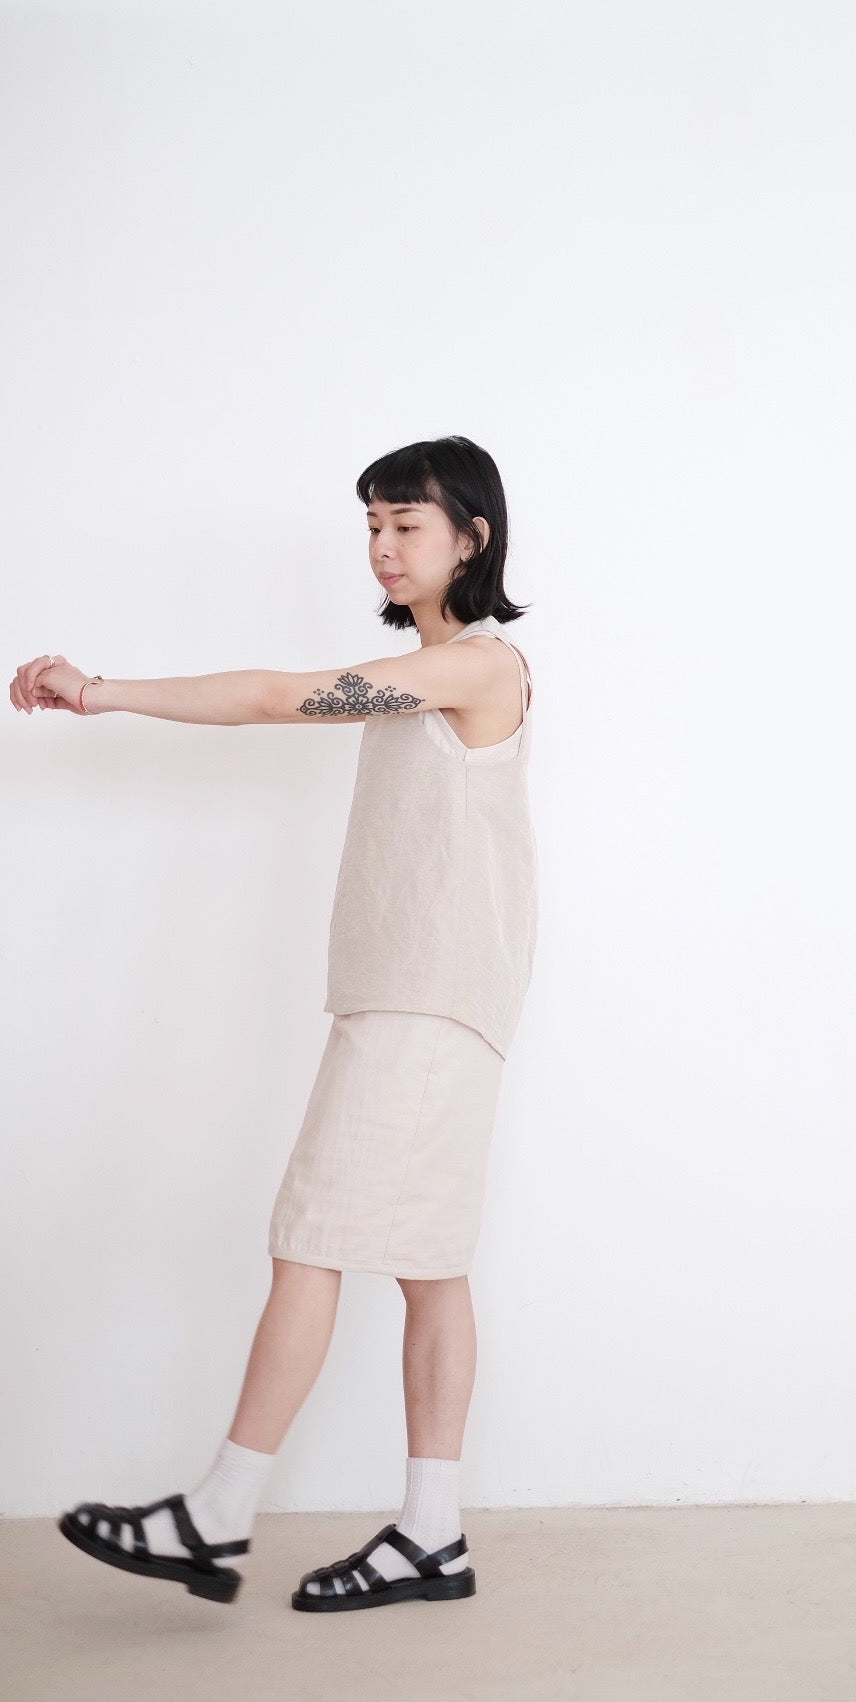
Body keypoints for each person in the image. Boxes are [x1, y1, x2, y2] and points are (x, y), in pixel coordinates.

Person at [9, 434, 538, 1611]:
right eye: (372, 524)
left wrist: (100, 689)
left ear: (472, 537)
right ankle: (432, 1535)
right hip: (425, 1002)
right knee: (429, 1267)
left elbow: (269, 698)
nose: (382, 545)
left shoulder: (478, 668)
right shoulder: (436, 675)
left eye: (406, 523)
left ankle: (219, 1510)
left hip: (422, 1005)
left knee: (309, 1239)